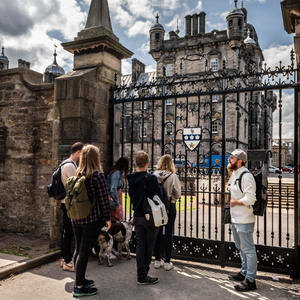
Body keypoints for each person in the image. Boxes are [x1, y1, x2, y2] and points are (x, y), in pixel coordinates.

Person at [71, 144, 111, 297]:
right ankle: (79, 287)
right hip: (91, 220)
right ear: (96, 158)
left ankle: (79, 279)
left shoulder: (77, 173)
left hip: (76, 218)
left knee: (78, 250)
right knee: (83, 251)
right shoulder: (97, 175)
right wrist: (107, 219)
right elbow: (103, 200)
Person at [127, 151, 162, 285]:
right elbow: (158, 196)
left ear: (135, 163)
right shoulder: (150, 178)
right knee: (149, 245)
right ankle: (143, 274)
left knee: (140, 245)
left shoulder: (131, 178)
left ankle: (140, 273)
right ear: (147, 164)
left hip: (137, 215)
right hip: (150, 216)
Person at [226, 149, 258, 292]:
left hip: (244, 219)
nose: (229, 160)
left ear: (240, 161)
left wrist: (235, 203)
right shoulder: (235, 174)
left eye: (231, 158)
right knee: (241, 247)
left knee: (248, 249)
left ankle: (250, 280)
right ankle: (244, 272)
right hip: (236, 218)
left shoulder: (246, 176)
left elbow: (251, 198)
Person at [153, 154, 181, 271]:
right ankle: (168, 261)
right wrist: (171, 198)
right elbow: (178, 194)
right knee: (168, 233)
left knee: (157, 233)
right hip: (170, 206)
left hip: (156, 207)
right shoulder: (173, 176)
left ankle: (157, 260)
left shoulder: (154, 175)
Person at [60, 142, 84, 272]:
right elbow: (76, 186)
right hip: (68, 203)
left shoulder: (66, 163)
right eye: (82, 153)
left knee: (66, 231)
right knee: (68, 232)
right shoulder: (70, 165)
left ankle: (65, 258)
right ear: (78, 152)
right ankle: (68, 261)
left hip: (65, 202)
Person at [105, 156, 129, 222]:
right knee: (117, 219)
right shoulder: (116, 173)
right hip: (114, 198)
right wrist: (117, 203)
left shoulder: (115, 172)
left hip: (115, 197)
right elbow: (113, 188)